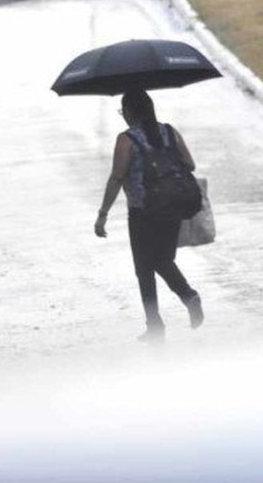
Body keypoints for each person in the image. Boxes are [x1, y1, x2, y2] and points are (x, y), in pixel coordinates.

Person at [94, 90, 204, 342]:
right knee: (163, 260)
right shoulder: (168, 131)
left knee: (144, 268)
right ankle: (185, 301)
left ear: (131, 112)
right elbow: (190, 164)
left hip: (143, 210)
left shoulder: (127, 139)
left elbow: (116, 177)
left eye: (124, 111)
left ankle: (162, 318)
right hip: (173, 205)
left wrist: (103, 214)